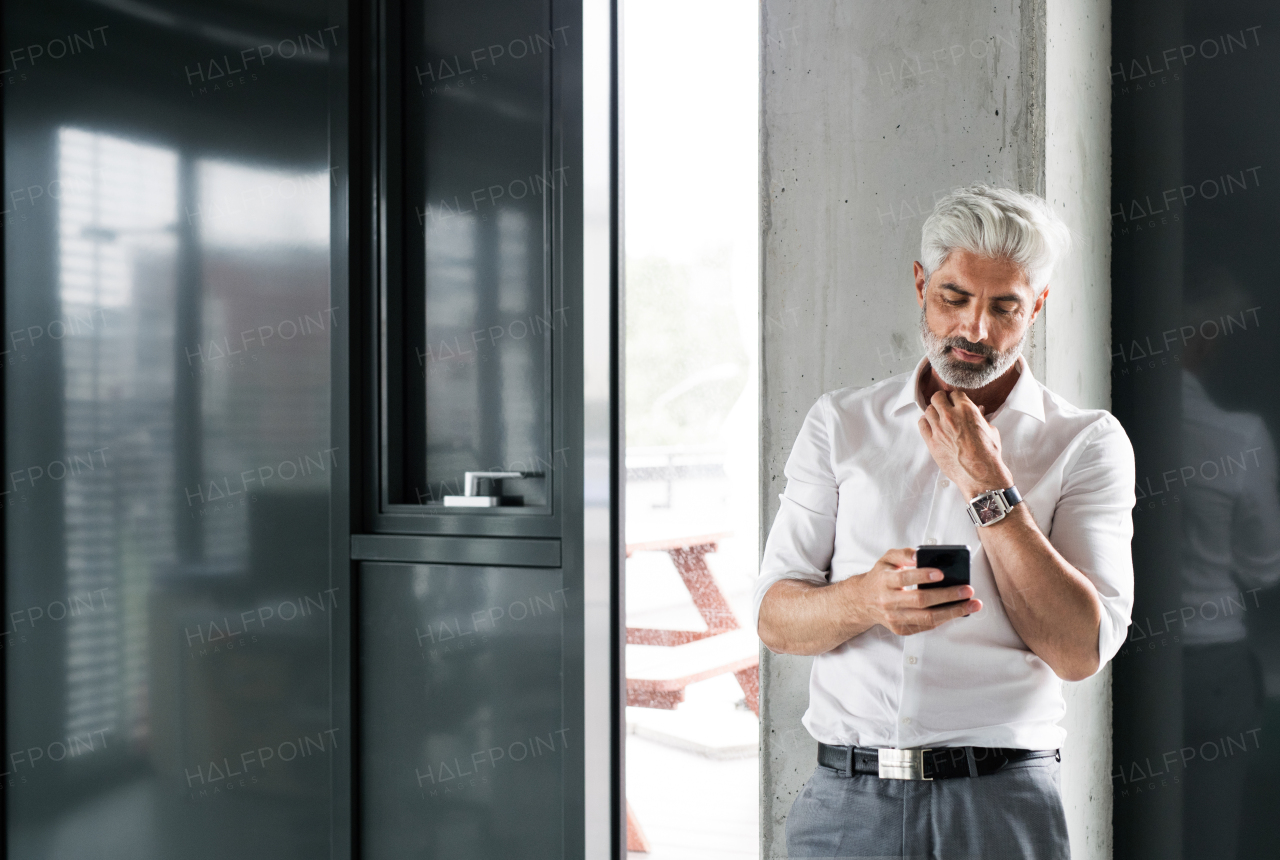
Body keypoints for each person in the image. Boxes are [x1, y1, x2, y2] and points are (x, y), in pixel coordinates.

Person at [755, 184, 1136, 860]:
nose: (974, 331)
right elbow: (776, 618)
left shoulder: (1086, 443)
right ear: (920, 284)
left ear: (1038, 306)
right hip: (845, 803)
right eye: (955, 298)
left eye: (1005, 308)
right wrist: (864, 601)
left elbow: (1081, 649)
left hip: (1000, 804)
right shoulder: (841, 423)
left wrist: (989, 488)